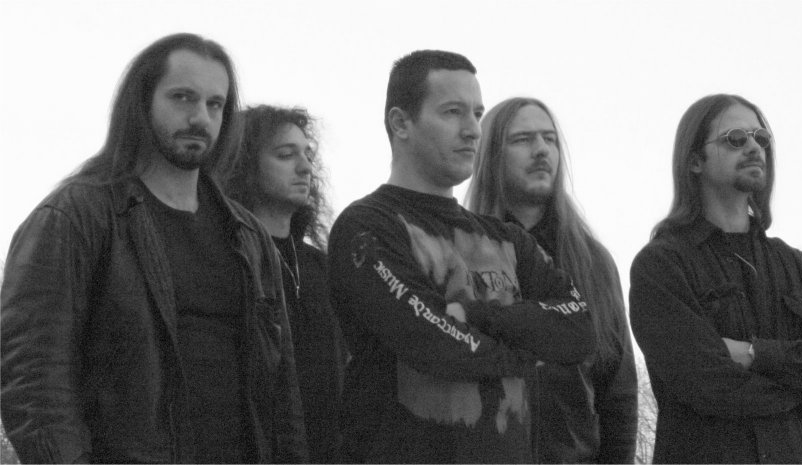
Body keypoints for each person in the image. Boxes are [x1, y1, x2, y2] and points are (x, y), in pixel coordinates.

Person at [0, 33, 307, 464]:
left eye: (215, 104)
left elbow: (282, 394)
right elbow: (34, 380)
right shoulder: (76, 217)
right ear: (141, 103)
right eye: (183, 97)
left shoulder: (249, 236)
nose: (200, 117)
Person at [327, 49, 596, 464]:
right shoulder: (367, 227)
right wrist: (530, 353)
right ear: (401, 123)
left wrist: (475, 316)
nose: (472, 130)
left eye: (477, 114)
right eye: (453, 112)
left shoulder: (508, 239)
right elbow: (432, 343)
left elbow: (579, 329)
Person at [629, 93, 802, 463]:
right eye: (735, 138)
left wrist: (756, 354)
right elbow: (707, 386)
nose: (754, 147)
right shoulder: (661, 265)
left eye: (760, 138)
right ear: (694, 161)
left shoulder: (797, 268)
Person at [466, 97, 638, 463]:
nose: (542, 149)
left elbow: (617, 393)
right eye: (523, 139)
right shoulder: (458, 252)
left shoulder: (592, 261)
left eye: (550, 139)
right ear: (491, 155)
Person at [223, 104, 346, 463]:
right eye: (285, 155)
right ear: (245, 165)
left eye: (307, 154)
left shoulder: (321, 266)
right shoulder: (228, 261)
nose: (305, 167)